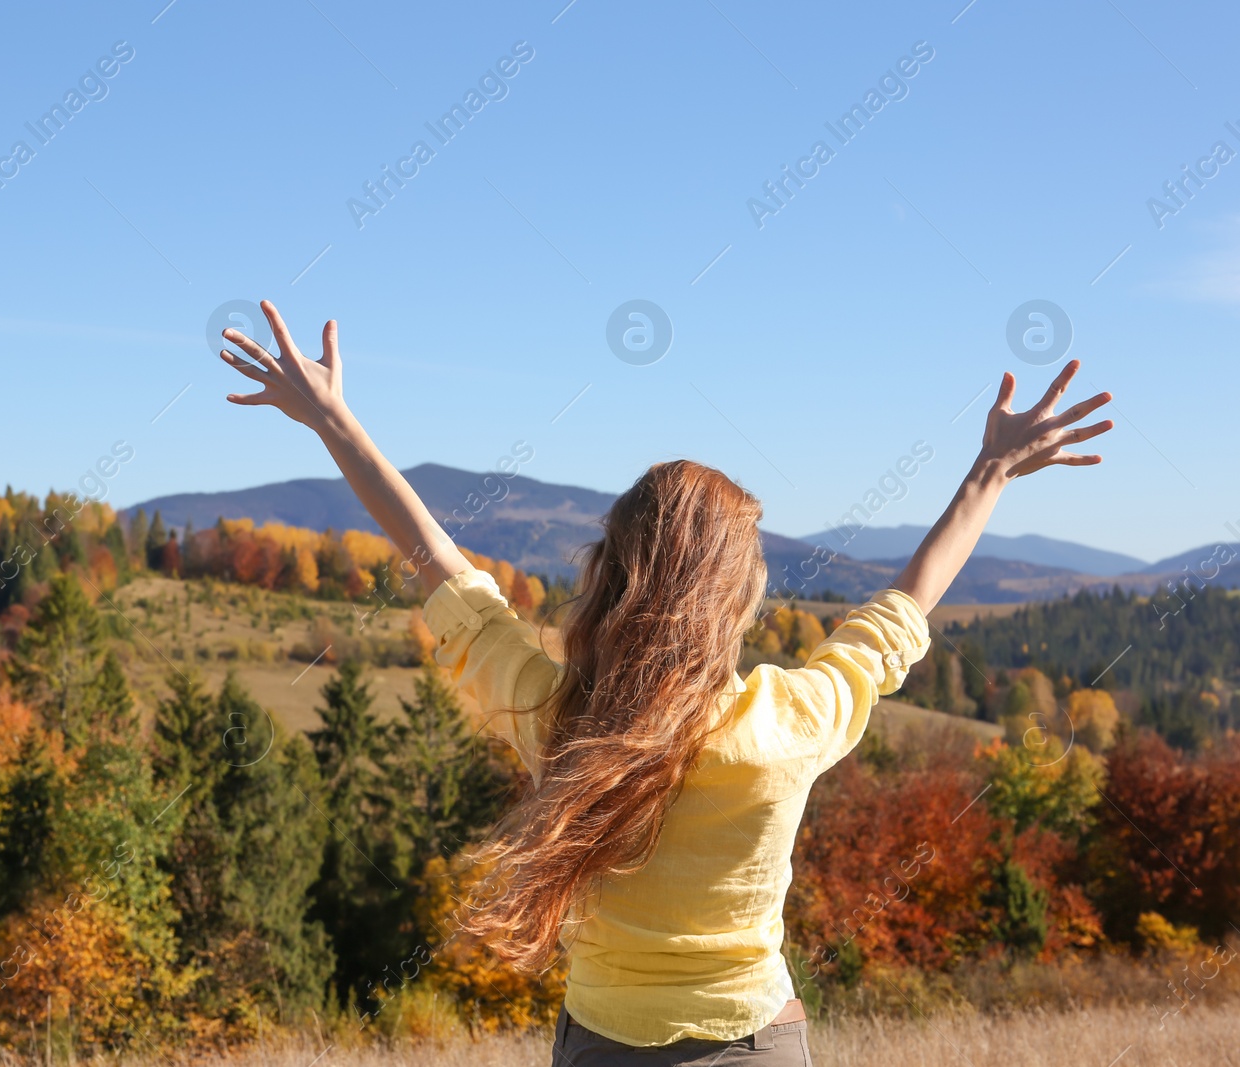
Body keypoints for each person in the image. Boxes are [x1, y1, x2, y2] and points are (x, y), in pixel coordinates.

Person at [216, 300, 1114, 1066]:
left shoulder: (552, 714)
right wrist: (991, 470)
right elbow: (902, 613)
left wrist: (334, 420)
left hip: (600, 1043)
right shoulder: (789, 721)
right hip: (753, 1045)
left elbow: (437, 564)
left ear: (609, 573)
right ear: (739, 597)